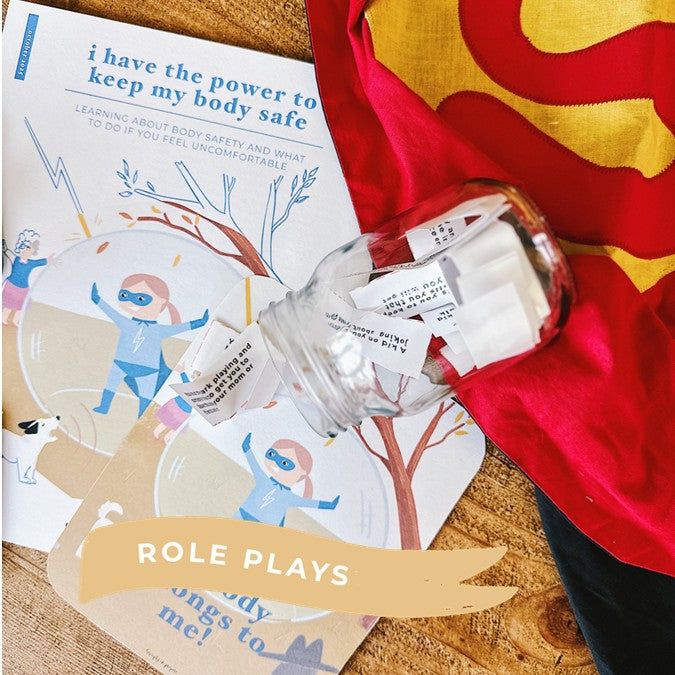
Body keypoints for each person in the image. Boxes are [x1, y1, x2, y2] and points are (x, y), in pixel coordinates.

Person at [91, 273, 208, 417]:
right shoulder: (127, 323)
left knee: (145, 396)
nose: (132, 303)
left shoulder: (158, 330)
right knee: (111, 385)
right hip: (122, 363)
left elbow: (180, 328)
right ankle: (104, 406)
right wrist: (97, 300)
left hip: (147, 369)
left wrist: (201, 322)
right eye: (124, 296)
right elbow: (112, 313)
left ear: (161, 302)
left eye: (141, 299)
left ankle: (141, 416)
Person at [234, 432, 339, 526]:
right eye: (272, 454)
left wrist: (330, 505)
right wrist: (246, 448)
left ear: (301, 473)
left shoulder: (287, 496)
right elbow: (254, 464)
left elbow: (309, 503)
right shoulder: (265, 481)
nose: (275, 462)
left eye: (285, 463)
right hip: (243, 516)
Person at [2, 230, 53, 326]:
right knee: (9, 305)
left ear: (31, 253)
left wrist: (48, 259)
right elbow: (9, 252)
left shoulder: (31, 263)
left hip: (23, 288)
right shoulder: (16, 259)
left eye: (29, 251)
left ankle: (15, 321)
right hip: (12, 285)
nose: (26, 252)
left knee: (21, 306)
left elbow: (39, 262)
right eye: (25, 249)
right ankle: (3, 318)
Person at [153, 368, 193, 444]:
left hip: (185, 410)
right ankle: (157, 432)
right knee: (167, 421)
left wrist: (182, 372)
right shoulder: (191, 387)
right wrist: (182, 371)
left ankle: (166, 438)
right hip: (177, 405)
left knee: (176, 427)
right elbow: (185, 380)